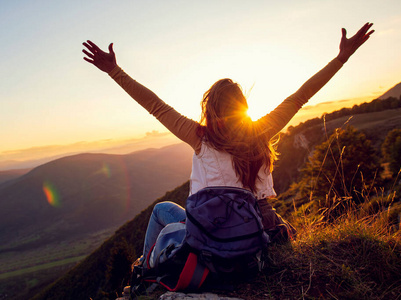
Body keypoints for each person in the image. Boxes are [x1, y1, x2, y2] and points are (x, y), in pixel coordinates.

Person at [82, 23, 374, 267]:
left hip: (213, 235)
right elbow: (300, 97)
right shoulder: (261, 131)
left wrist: (114, 71)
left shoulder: (199, 137)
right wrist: (341, 59)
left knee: (161, 211)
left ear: (212, 111)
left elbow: (155, 106)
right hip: (257, 229)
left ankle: (145, 271)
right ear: (243, 108)